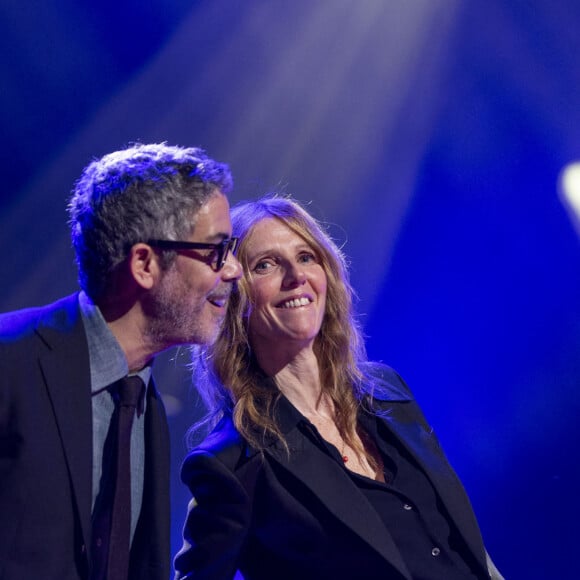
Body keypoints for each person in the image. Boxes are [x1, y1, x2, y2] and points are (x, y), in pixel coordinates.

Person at [174, 195, 504, 580]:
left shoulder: (386, 390)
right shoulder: (233, 461)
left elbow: (458, 540)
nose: (296, 276)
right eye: (266, 264)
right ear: (234, 297)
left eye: (306, 257)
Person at [0, 142, 242, 580]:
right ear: (145, 264)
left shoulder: (141, 400)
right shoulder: (9, 359)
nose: (234, 270)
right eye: (215, 251)